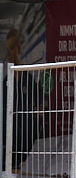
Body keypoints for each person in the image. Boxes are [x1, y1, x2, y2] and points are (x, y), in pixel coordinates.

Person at [5, 29, 42, 169]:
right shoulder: (5, 83)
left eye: (11, 48)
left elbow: (39, 107)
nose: (9, 53)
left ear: (18, 49)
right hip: (10, 145)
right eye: (7, 49)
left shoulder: (29, 80)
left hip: (28, 144)